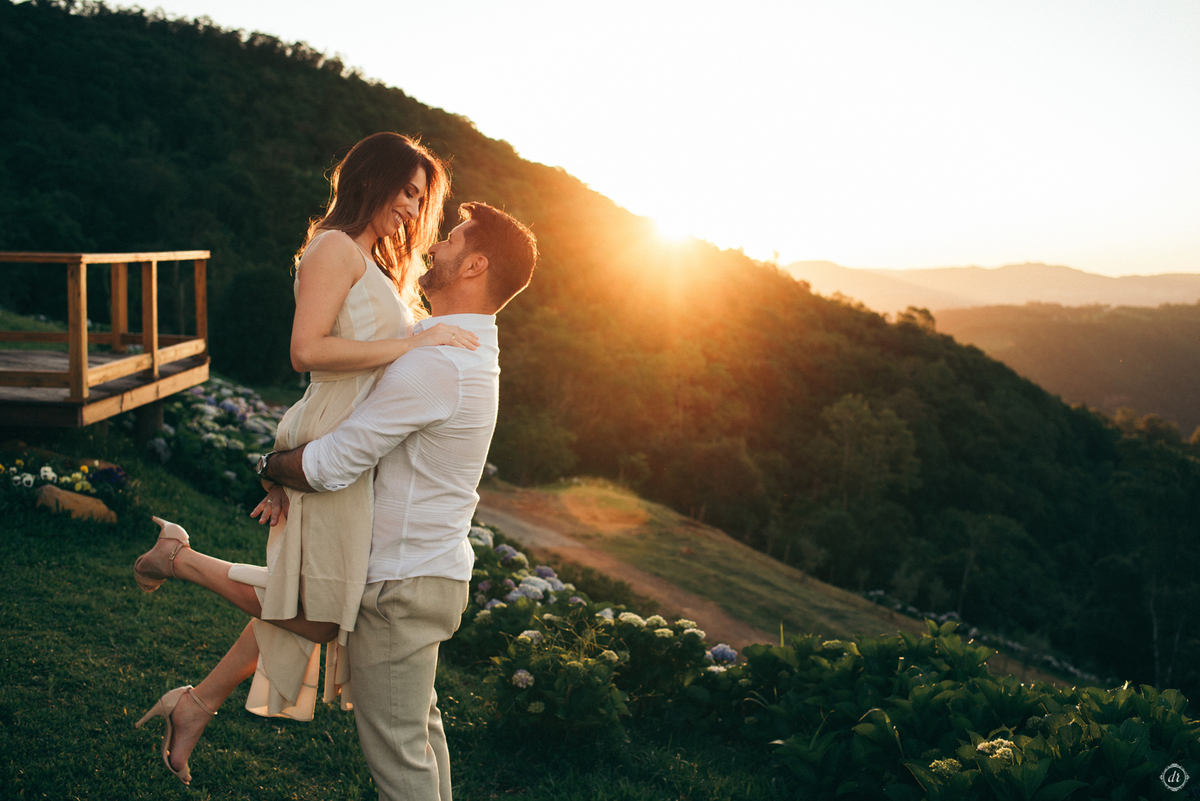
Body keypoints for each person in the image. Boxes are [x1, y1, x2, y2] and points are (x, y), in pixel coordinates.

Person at [132, 132, 479, 786]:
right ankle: (178, 565)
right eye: (408, 190)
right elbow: (306, 350)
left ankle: (195, 695)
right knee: (322, 609)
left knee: (321, 603)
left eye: (421, 197)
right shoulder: (333, 248)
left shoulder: (373, 261)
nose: (414, 207)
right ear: (373, 178)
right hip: (330, 430)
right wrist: (412, 344)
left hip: (352, 442)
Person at [253, 201, 537, 800]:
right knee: (421, 745)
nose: (434, 247)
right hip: (430, 574)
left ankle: (178, 561)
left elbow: (332, 465)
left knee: (403, 772)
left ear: (475, 264)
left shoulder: (437, 364)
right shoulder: (460, 350)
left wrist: (268, 465)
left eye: (452, 241)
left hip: (400, 587)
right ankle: (178, 562)